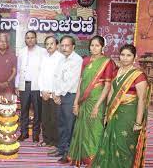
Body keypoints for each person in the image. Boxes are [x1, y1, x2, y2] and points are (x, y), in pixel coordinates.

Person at [59, 35, 115, 166]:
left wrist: (97, 105)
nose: (94, 48)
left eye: (97, 45)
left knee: (95, 130)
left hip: (97, 101)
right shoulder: (86, 61)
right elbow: (80, 82)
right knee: (82, 129)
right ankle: (82, 156)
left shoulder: (107, 62)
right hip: (84, 101)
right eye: (92, 45)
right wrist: (75, 103)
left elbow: (107, 86)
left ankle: (93, 159)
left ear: (102, 47)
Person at [91, 44, 149, 168]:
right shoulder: (116, 71)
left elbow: (142, 100)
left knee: (124, 145)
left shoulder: (139, 75)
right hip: (114, 112)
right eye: (123, 55)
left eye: (129, 55)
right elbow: (112, 92)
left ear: (135, 57)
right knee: (110, 142)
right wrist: (107, 112)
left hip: (129, 115)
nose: (125, 58)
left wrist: (138, 122)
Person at [47, 35, 83, 160]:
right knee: (61, 124)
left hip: (70, 96)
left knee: (69, 125)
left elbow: (72, 82)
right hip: (60, 95)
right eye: (62, 45)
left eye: (67, 45)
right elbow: (56, 77)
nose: (64, 48)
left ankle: (69, 153)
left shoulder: (77, 60)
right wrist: (55, 93)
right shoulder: (62, 59)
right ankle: (61, 148)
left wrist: (59, 93)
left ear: (73, 46)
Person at [15, 31, 47, 143]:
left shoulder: (42, 52)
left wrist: (44, 86)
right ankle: (23, 133)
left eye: (32, 37)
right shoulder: (22, 51)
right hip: (24, 85)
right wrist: (17, 84)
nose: (30, 40)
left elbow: (44, 71)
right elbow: (18, 70)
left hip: (37, 85)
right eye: (28, 38)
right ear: (25, 40)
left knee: (37, 111)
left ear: (36, 39)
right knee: (24, 111)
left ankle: (36, 134)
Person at [37, 36, 64, 147]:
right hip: (44, 94)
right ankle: (46, 139)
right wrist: (42, 90)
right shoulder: (44, 58)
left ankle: (55, 142)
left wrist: (54, 92)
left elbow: (61, 78)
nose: (49, 46)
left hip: (55, 94)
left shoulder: (61, 58)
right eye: (47, 44)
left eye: (51, 43)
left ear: (57, 45)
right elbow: (40, 75)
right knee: (45, 118)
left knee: (55, 119)